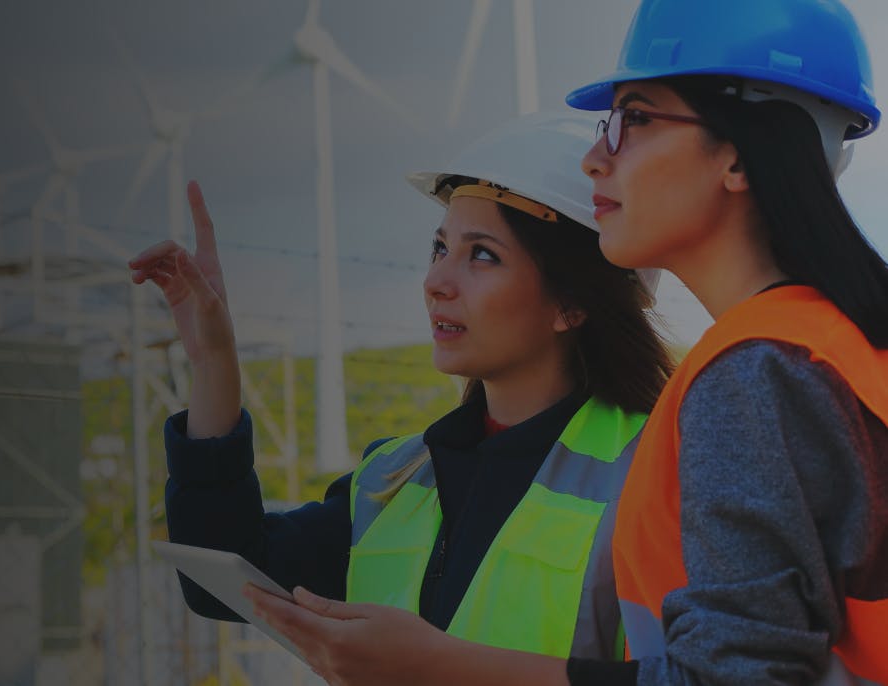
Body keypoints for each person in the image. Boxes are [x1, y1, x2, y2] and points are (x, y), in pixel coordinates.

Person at [246, 0, 888, 684]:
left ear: (735, 156)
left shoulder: (756, 373)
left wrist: (441, 666)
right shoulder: (831, 346)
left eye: (634, 120)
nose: (592, 159)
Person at [129, 112, 673, 663]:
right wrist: (213, 362)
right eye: (441, 248)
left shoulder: (657, 476)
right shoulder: (391, 483)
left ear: (572, 303)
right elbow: (223, 576)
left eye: (482, 255)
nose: (436, 282)